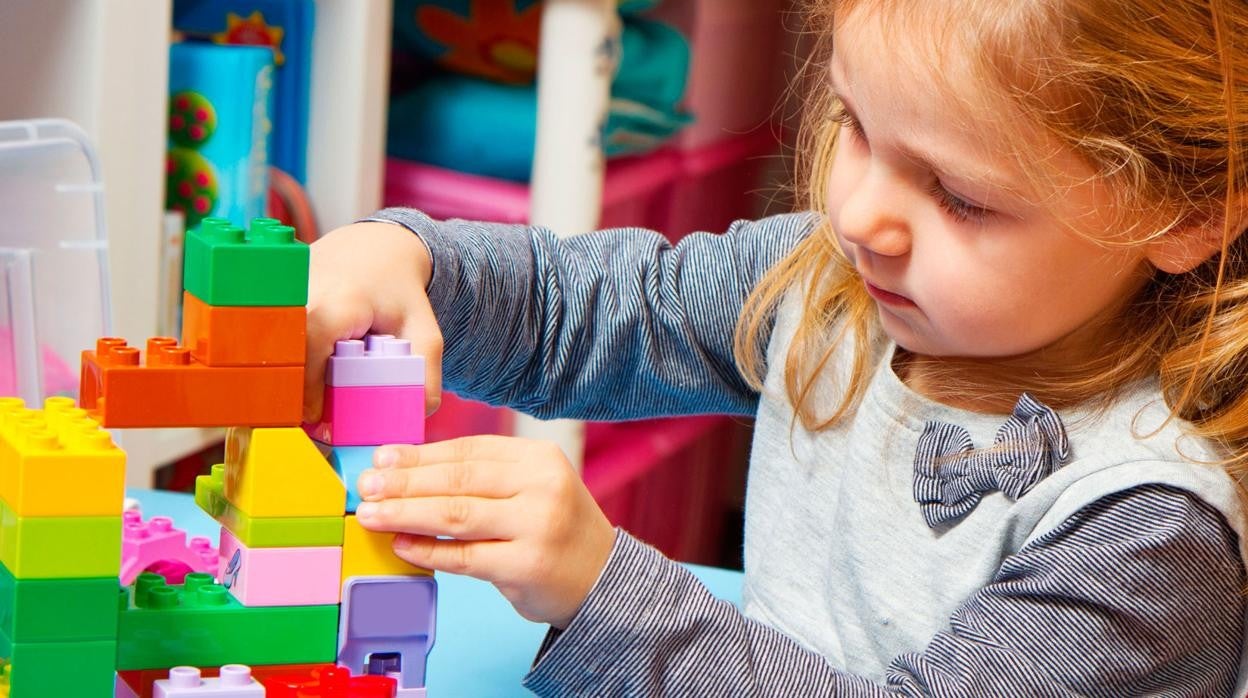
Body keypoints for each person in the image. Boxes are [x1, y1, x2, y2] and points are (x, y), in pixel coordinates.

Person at [304, 0, 1248, 693]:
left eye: (960, 196)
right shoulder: (831, 290)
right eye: (854, 127)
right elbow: (596, 307)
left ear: (1186, 215)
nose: (860, 215)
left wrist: (605, 594)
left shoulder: (1142, 528)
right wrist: (408, 262)